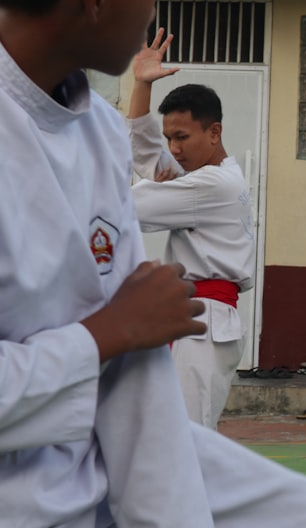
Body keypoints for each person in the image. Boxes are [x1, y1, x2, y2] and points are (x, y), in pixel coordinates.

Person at [0, 1, 306, 528]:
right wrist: (106, 335)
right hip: (20, 465)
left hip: (167, 352)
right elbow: (148, 177)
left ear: (213, 132)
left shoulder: (103, 131)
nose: (151, 7)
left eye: (183, 135)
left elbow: (143, 188)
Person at [125, 29, 255, 429]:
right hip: (196, 318)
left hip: (204, 323)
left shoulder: (213, 185)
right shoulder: (202, 177)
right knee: (175, 436)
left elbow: (130, 205)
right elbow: (146, 155)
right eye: (170, 138)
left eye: (182, 137)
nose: (174, 148)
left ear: (214, 132)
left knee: (187, 440)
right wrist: (141, 84)